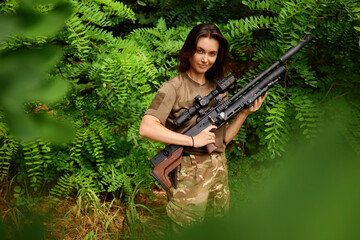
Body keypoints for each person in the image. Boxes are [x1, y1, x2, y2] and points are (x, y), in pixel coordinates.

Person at [139, 23, 267, 229]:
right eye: (200, 51)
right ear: (189, 51)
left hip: (218, 170)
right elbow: (146, 127)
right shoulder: (173, 87)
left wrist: (243, 113)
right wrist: (192, 140)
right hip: (189, 174)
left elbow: (222, 140)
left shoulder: (218, 90)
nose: (205, 59)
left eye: (212, 53)